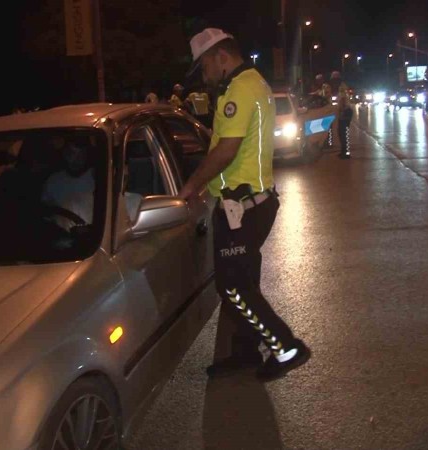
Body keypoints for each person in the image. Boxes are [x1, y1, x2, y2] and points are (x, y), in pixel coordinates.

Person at [178, 28, 311, 382]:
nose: (204, 75)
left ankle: (286, 347)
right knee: (245, 280)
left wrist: (191, 185)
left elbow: (227, 149)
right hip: (251, 202)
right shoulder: (254, 84)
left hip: (244, 207)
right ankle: (246, 351)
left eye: (204, 66)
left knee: (233, 286)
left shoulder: (240, 89)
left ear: (221, 57)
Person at [41, 136, 95, 232]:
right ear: (65, 153)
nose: (76, 159)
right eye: (71, 154)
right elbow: (45, 212)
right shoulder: (53, 181)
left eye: (81, 155)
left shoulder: (96, 178)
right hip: (59, 235)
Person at [328, 71, 352, 158]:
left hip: (345, 111)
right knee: (341, 132)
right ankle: (344, 151)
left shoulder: (341, 87)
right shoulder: (341, 87)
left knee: (343, 132)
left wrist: (340, 111)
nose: (333, 83)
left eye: (334, 81)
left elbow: (342, 100)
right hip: (344, 111)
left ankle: (346, 153)